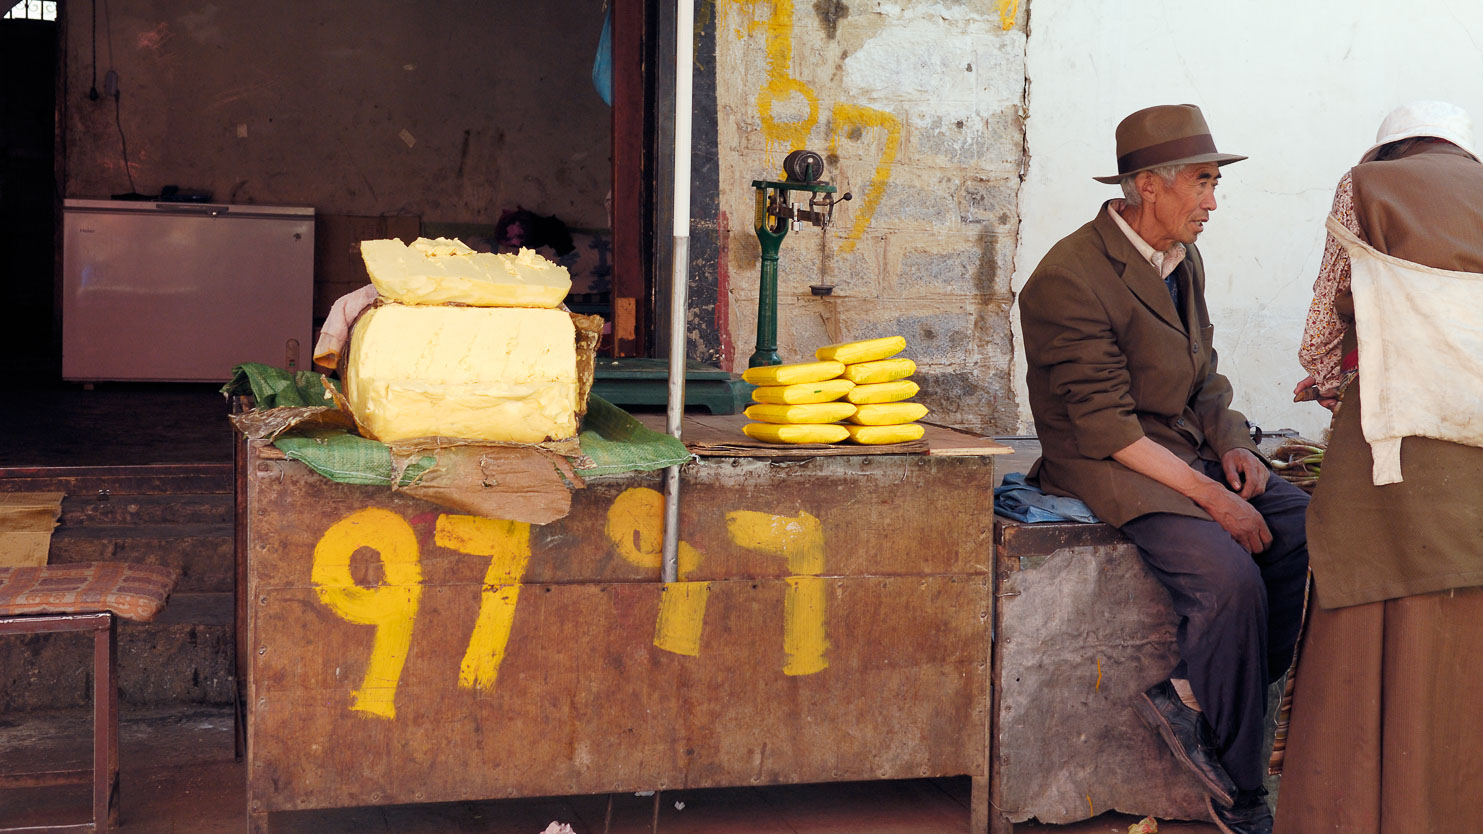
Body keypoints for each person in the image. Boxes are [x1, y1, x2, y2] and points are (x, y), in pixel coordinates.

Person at [1018, 104, 1310, 834]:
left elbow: (1203, 374)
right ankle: (1240, 789)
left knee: (1305, 529)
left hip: (1182, 449)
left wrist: (1235, 445)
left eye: (1214, 183)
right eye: (1202, 183)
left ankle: (1200, 699)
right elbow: (1106, 428)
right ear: (1148, 185)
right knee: (1228, 578)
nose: (1213, 201)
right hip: (1107, 462)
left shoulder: (1183, 257)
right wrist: (1215, 499)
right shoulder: (1067, 277)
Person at [1276, 100, 1483, 834]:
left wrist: (1329, 385)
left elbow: (1320, 335)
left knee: (1366, 604)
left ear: (1392, 147)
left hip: (1386, 455)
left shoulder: (1364, 185)